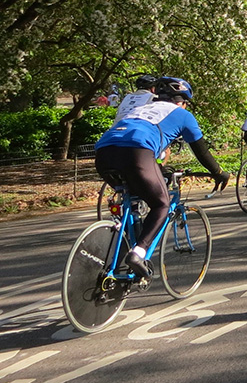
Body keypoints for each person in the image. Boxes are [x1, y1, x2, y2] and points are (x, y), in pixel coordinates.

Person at [95, 77, 229, 276]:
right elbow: (202, 152)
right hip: (137, 153)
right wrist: (219, 173)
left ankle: (123, 247)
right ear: (182, 101)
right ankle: (138, 253)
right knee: (161, 205)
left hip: (104, 154)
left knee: (134, 197)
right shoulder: (182, 115)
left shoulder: (141, 109)